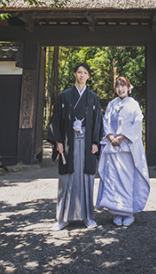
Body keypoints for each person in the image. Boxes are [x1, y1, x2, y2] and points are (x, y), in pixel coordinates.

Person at [47, 62, 103, 230]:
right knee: (67, 179)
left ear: (89, 76)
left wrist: (95, 142)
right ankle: (63, 218)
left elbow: (98, 121)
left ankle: (87, 217)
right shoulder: (65, 96)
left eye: (85, 73)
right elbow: (56, 119)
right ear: (75, 74)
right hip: (68, 142)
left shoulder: (92, 97)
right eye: (79, 72)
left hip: (86, 143)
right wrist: (58, 142)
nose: (81, 75)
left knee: (87, 178)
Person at [96, 75, 150, 227]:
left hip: (127, 148)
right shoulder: (112, 104)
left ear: (128, 87)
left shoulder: (134, 104)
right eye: (118, 86)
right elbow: (105, 122)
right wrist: (111, 136)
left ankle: (128, 213)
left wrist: (122, 137)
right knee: (113, 180)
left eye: (123, 85)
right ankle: (116, 212)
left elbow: (137, 123)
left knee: (126, 181)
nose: (120, 89)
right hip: (113, 148)